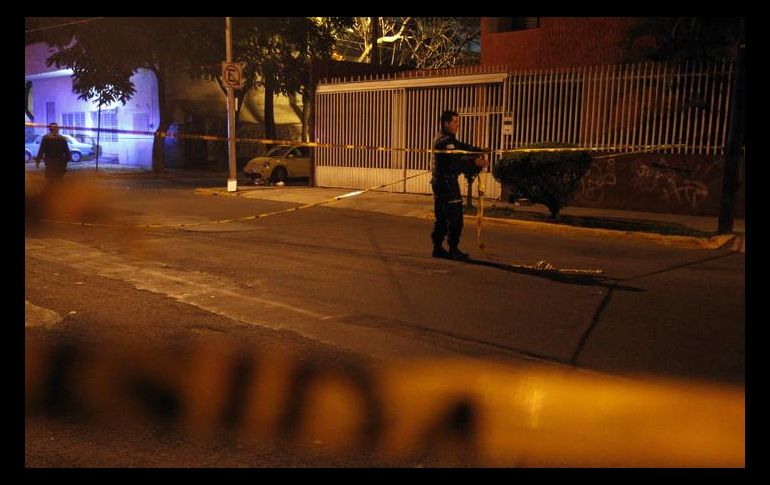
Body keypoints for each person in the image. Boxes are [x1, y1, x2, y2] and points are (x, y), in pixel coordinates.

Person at [431, 110, 489, 261]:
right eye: (455, 122)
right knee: (456, 218)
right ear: (446, 123)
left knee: (442, 218)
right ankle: (453, 249)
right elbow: (455, 163)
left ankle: (437, 248)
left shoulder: (446, 139)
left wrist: (478, 150)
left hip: (440, 183)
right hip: (447, 184)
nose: (458, 125)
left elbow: (461, 147)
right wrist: (474, 162)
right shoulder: (445, 142)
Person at [35, 123, 71, 187]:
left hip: (50, 162)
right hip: (59, 162)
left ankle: (52, 193)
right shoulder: (62, 138)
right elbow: (66, 151)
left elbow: (41, 150)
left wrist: (38, 161)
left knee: (51, 180)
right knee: (59, 180)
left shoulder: (46, 138)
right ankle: (59, 194)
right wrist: (66, 160)